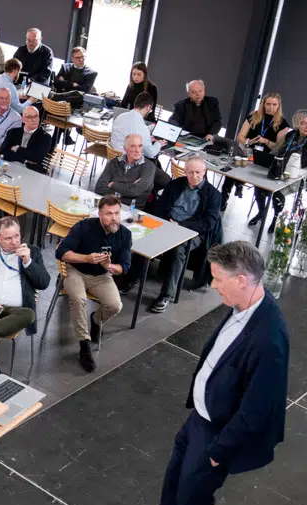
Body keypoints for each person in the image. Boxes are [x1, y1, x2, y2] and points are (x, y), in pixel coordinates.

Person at [125, 240, 286, 505]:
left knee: (192, 501)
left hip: (218, 433)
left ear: (242, 279)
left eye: (217, 279)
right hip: (199, 420)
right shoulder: (243, 307)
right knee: (172, 486)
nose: (213, 285)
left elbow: (257, 410)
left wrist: (220, 452)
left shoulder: (268, 339)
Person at [55, 196, 131, 372]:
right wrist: (86, 258)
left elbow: (125, 267)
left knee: (115, 305)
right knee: (79, 299)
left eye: (117, 213)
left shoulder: (125, 235)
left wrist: (109, 266)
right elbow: (61, 252)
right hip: (76, 271)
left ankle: (96, 319)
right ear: (100, 214)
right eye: (109, 214)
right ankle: (84, 344)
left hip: (101, 275)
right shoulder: (84, 226)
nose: (114, 218)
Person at [148, 156, 223, 313]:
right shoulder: (175, 184)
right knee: (141, 236)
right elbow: (159, 206)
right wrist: (166, 222)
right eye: (190, 172)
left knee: (179, 249)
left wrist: (180, 225)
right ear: (185, 171)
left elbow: (207, 224)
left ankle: (166, 295)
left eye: (197, 172)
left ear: (205, 172)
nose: (194, 176)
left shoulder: (213, 195)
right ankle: (133, 277)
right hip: (168, 223)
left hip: (192, 232)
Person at [268, 108, 307, 236]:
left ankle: (276, 218)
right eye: (303, 123)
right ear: (297, 124)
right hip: (281, 171)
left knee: (277, 194)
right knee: (261, 188)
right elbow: (276, 151)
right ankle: (261, 212)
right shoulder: (290, 135)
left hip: (300, 177)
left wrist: (299, 173)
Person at [230, 92, 288, 212]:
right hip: (249, 152)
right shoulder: (253, 116)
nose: (271, 107)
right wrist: (248, 142)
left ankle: (261, 211)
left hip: (266, 158)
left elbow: (278, 148)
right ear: (263, 104)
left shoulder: (283, 124)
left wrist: (265, 141)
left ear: (278, 106)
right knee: (230, 172)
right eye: (268, 104)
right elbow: (240, 136)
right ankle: (227, 197)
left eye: (274, 104)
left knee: (258, 185)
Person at [97, 134, 157, 202]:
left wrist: (113, 184)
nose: (137, 150)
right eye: (133, 146)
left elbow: (135, 191)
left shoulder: (149, 167)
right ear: (125, 149)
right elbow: (99, 188)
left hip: (130, 209)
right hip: (109, 202)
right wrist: (128, 188)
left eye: (140, 146)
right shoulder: (115, 162)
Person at [0, 105, 52, 173]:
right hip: (8, 166)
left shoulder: (45, 137)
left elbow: (36, 157)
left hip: (31, 171)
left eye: (36, 116)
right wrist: (24, 160)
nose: (34, 120)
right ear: (23, 119)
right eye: (30, 117)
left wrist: (17, 148)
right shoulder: (13, 132)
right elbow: (3, 153)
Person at [107, 91, 160, 159]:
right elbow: (150, 153)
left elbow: (127, 135)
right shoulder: (142, 128)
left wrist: (147, 139)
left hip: (112, 157)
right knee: (153, 165)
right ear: (148, 107)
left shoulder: (120, 116)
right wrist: (159, 143)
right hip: (126, 162)